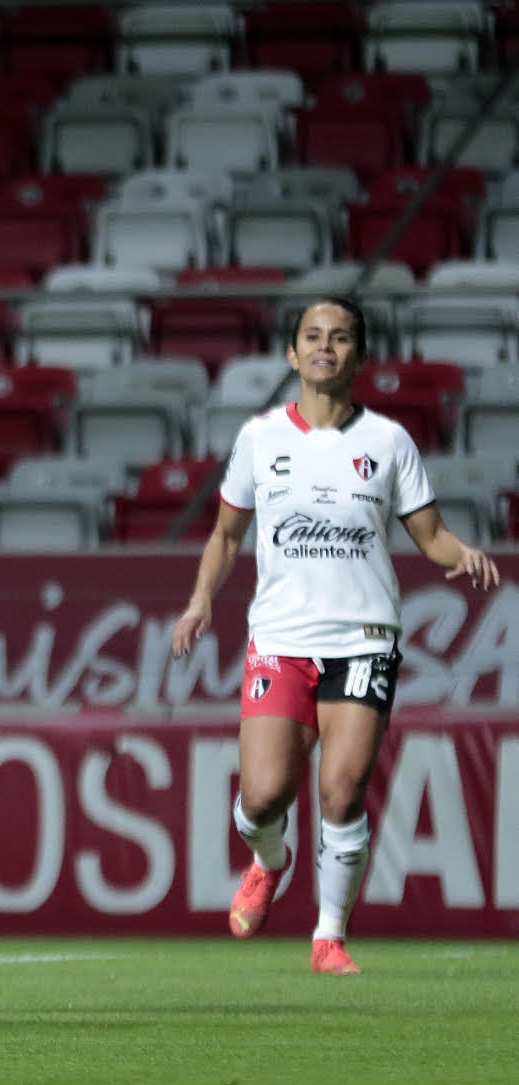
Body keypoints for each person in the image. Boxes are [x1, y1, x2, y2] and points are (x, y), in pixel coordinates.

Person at [171, 295, 500, 975]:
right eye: (312, 336)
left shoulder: (386, 443)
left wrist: (460, 554)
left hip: (363, 637)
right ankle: (269, 861)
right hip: (280, 638)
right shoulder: (260, 438)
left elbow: (429, 536)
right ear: (291, 355)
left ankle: (327, 937)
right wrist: (201, 597)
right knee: (262, 797)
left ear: (359, 355)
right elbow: (226, 534)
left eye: (340, 337)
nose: (325, 346)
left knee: (342, 791)